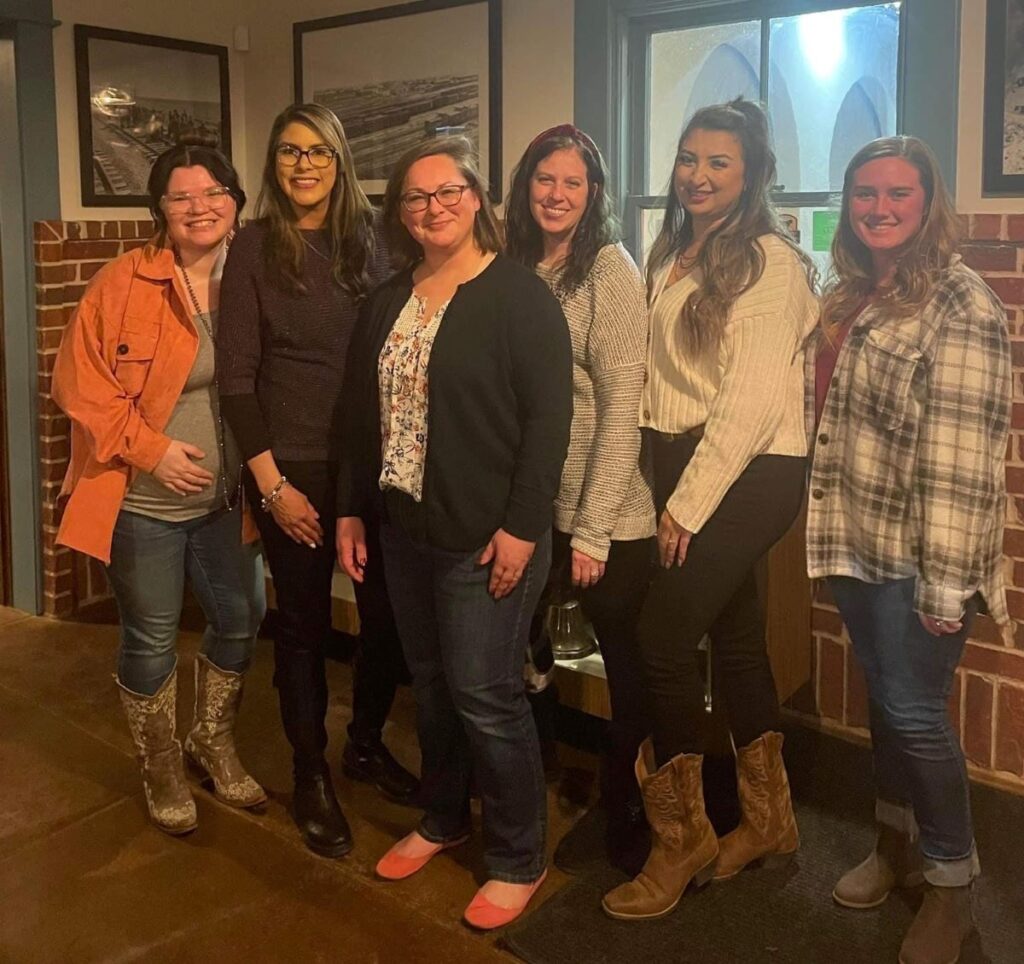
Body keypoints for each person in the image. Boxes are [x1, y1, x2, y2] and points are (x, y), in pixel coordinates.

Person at [336, 136, 572, 929]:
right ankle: (444, 816)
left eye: (447, 192)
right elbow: (359, 420)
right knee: (432, 686)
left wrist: (522, 530)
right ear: (400, 215)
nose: (432, 208)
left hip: (486, 538)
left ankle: (517, 854)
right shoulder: (387, 298)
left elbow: (549, 423)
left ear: (476, 199)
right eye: (415, 198)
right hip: (404, 529)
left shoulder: (518, 295)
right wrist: (348, 510)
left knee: (486, 694)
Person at [601, 98, 818, 921]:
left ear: (753, 173)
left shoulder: (771, 261)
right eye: (689, 158)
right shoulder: (675, 250)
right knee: (734, 638)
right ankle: (769, 819)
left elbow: (751, 404)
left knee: (662, 636)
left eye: (719, 162)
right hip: (682, 457)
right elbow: (664, 382)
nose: (697, 174)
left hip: (748, 467)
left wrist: (684, 508)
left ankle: (681, 838)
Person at [806, 136, 1011, 964]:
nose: (879, 208)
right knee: (888, 709)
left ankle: (953, 889)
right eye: (864, 194)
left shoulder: (962, 305)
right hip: (857, 541)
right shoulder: (858, 287)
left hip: (921, 562)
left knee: (918, 717)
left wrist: (944, 588)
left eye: (897, 194)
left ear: (929, 204)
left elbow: (964, 462)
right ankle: (895, 848)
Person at [217, 104, 417, 860]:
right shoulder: (254, 250)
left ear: (340, 159)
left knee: (387, 616)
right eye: (289, 152)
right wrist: (271, 488)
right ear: (274, 165)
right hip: (290, 468)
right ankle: (311, 771)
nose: (304, 164)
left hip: (371, 465)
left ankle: (364, 743)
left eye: (318, 152)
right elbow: (237, 380)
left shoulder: (374, 244)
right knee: (301, 627)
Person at [52, 134, 266, 835]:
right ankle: (161, 762)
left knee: (240, 618)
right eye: (181, 196)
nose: (200, 207)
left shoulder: (256, 276)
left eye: (213, 193)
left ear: (235, 199)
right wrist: (153, 451)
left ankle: (211, 737)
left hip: (228, 500)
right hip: (142, 502)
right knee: (150, 638)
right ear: (160, 208)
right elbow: (78, 385)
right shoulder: (122, 283)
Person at [505, 124, 655, 875]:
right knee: (528, 649)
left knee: (625, 663)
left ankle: (628, 810)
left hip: (607, 508)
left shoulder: (610, 270)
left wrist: (594, 530)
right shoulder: (513, 264)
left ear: (594, 192)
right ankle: (537, 775)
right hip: (531, 497)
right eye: (543, 179)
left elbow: (623, 405)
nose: (556, 194)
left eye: (572, 182)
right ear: (524, 185)